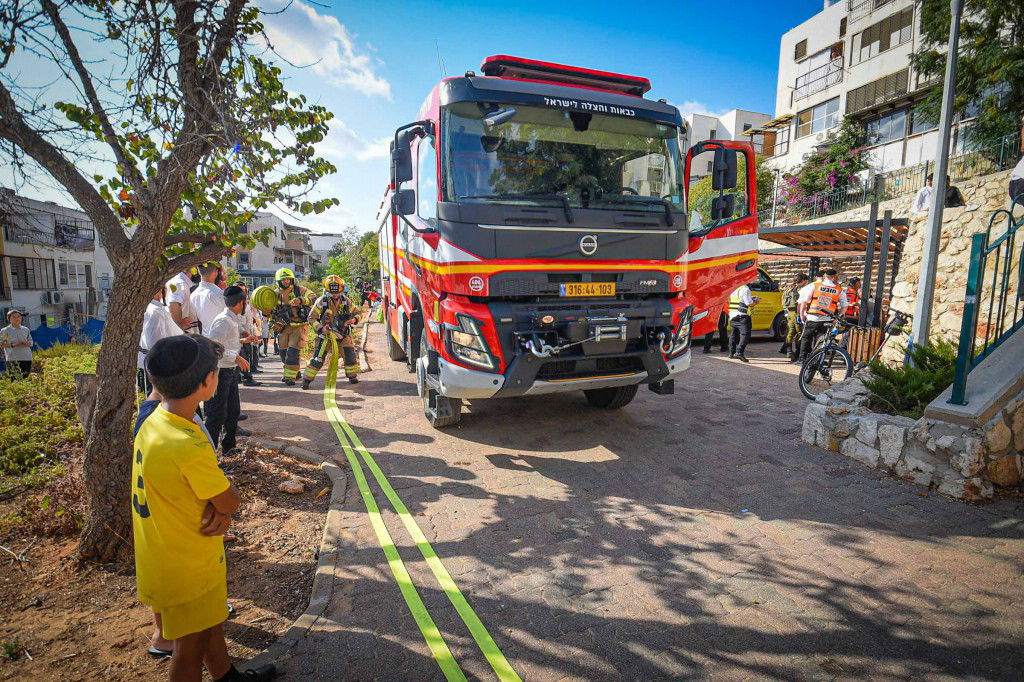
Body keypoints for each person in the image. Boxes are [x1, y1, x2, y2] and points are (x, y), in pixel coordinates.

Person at [133, 335, 275, 682]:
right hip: (188, 562)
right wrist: (225, 510)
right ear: (208, 382)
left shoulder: (153, 422)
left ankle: (227, 675)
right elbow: (228, 499)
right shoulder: (187, 442)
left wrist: (219, 509)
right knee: (188, 649)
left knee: (209, 621)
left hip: (162, 551)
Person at [204, 286, 250, 455]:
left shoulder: (232, 318)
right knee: (216, 415)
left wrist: (244, 340)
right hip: (220, 373)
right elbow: (213, 346)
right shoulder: (224, 320)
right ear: (240, 303)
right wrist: (235, 357)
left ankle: (229, 447)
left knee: (232, 412)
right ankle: (210, 454)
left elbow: (227, 341)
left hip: (230, 371)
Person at [302, 275, 361, 389]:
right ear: (327, 290)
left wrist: (353, 319)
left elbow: (358, 313)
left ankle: (352, 376)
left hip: (343, 335)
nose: (335, 294)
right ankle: (306, 380)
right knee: (317, 359)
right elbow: (311, 318)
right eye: (332, 292)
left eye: (337, 291)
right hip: (326, 336)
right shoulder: (322, 301)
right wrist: (321, 328)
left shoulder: (346, 301)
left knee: (350, 357)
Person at [795, 268, 848, 362]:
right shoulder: (839, 290)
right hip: (828, 319)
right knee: (821, 339)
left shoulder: (815, 286)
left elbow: (804, 301)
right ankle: (818, 359)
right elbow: (844, 306)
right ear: (835, 277)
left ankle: (803, 359)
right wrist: (839, 317)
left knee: (806, 337)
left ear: (824, 276)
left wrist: (802, 314)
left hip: (813, 317)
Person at [271, 267, 312, 386]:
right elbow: (268, 309)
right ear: (279, 281)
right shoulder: (274, 294)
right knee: (283, 352)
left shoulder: (301, 290)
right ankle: (296, 372)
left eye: (288, 279)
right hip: (283, 327)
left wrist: (301, 300)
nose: (286, 282)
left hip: (299, 326)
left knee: (293, 352)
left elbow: (313, 298)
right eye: (283, 280)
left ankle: (289, 377)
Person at [138, 285, 183, 394]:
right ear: (159, 291)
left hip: (150, 367)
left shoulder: (149, 309)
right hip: (159, 370)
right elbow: (155, 344)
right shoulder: (156, 312)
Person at [727, 283, 759, 362]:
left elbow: (739, 300)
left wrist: (750, 297)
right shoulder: (745, 289)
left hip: (732, 315)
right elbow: (749, 304)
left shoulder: (734, 288)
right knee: (745, 334)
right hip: (742, 316)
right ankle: (739, 352)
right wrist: (757, 302)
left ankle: (731, 353)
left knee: (733, 334)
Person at [191, 263, 226, 335]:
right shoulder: (219, 294)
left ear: (198, 271)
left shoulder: (193, 295)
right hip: (223, 337)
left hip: (205, 337)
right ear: (216, 272)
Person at [780, 273, 809, 359]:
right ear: (803, 280)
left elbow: (783, 301)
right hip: (798, 312)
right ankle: (798, 351)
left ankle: (789, 350)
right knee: (800, 332)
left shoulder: (789, 288)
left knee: (790, 332)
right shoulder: (801, 289)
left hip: (789, 312)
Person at [1, 309, 33, 380]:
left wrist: (27, 343)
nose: (17, 318)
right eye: (14, 317)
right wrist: (14, 344)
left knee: (26, 379)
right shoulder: (5, 330)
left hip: (26, 358)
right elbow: (2, 344)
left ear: (21, 318)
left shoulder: (25, 329)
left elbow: (31, 341)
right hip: (13, 359)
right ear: (9, 319)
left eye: (18, 316)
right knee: (15, 380)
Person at [166, 269, 199, 334]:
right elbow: (173, 306)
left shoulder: (180, 282)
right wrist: (180, 325)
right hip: (183, 337)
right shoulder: (179, 283)